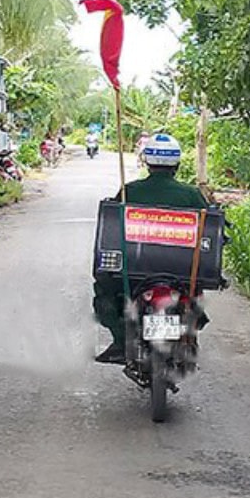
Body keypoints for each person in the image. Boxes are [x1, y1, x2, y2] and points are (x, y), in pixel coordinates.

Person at [93, 132, 208, 364]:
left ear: (147, 162)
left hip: (135, 271)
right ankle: (189, 336)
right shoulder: (192, 195)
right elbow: (211, 230)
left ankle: (120, 341)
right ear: (176, 164)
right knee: (195, 293)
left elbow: (112, 228)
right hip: (182, 272)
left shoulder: (130, 191)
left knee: (106, 291)